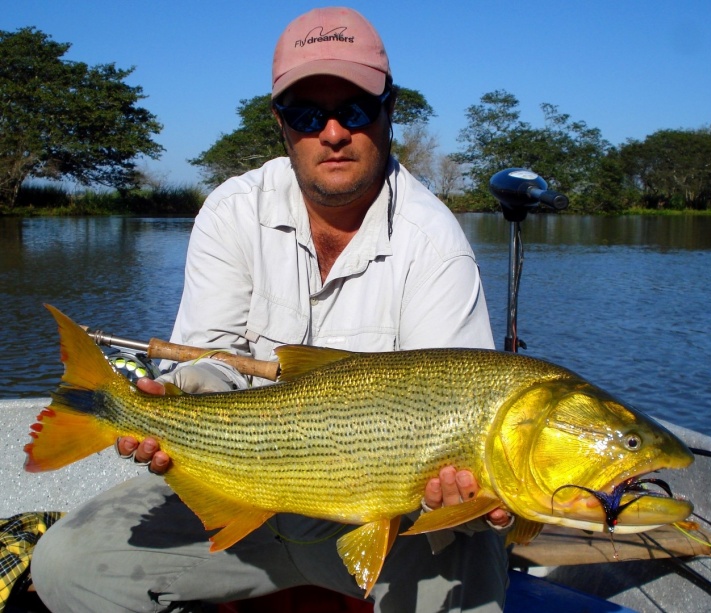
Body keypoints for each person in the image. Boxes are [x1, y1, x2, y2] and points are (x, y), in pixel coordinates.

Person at [31, 7, 512, 612]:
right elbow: (213, 359)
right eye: (307, 114)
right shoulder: (232, 211)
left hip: (387, 514)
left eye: (355, 109)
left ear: (390, 110)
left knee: (471, 591)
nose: (332, 132)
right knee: (68, 566)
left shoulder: (436, 243)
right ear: (280, 123)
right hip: (240, 483)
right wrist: (173, 400)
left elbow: (456, 419)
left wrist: (460, 494)